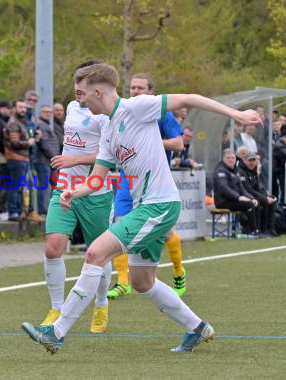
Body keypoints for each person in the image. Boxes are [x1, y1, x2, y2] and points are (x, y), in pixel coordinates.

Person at [22, 62, 261, 354]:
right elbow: (97, 178)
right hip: (146, 206)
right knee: (141, 280)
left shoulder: (136, 107)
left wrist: (236, 114)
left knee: (96, 252)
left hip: (159, 205)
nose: (79, 100)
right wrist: (75, 191)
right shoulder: (108, 129)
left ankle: (56, 333)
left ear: (97, 91)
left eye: (82, 93)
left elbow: (188, 99)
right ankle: (197, 327)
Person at [39, 60, 114, 334]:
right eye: (75, 88)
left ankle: (102, 304)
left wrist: (74, 160)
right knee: (52, 247)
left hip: (95, 192)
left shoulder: (105, 115)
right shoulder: (71, 108)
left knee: (98, 253)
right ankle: (57, 307)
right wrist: (68, 165)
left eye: (82, 90)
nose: (77, 94)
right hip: (65, 188)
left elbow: (109, 155)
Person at [108, 73, 187, 300]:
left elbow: (179, 143)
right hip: (126, 179)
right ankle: (123, 281)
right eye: (132, 88)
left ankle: (179, 271)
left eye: (140, 88)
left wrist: (154, 143)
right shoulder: (123, 113)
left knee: (166, 232)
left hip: (153, 182)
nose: (135, 92)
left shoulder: (162, 113)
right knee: (119, 226)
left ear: (151, 91)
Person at [214, 149, 259, 235]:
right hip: (223, 201)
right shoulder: (220, 171)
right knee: (248, 204)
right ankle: (253, 231)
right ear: (223, 159)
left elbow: (242, 189)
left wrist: (251, 198)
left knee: (255, 202)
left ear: (235, 159)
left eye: (232, 158)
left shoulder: (236, 170)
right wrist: (238, 197)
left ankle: (257, 229)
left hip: (233, 199)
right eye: (228, 158)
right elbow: (224, 189)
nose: (230, 160)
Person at [238, 152, 278, 236]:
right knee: (263, 201)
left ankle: (270, 228)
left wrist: (267, 196)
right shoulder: (241, 171)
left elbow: (259, 187)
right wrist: (264, 198)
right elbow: (247, 189)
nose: (252, 162)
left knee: (272, 200)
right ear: (245, 161)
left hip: (254, 195)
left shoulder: (254, 170)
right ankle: (261, 229)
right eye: (250, 160)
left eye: (253, 160)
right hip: (245, 196)